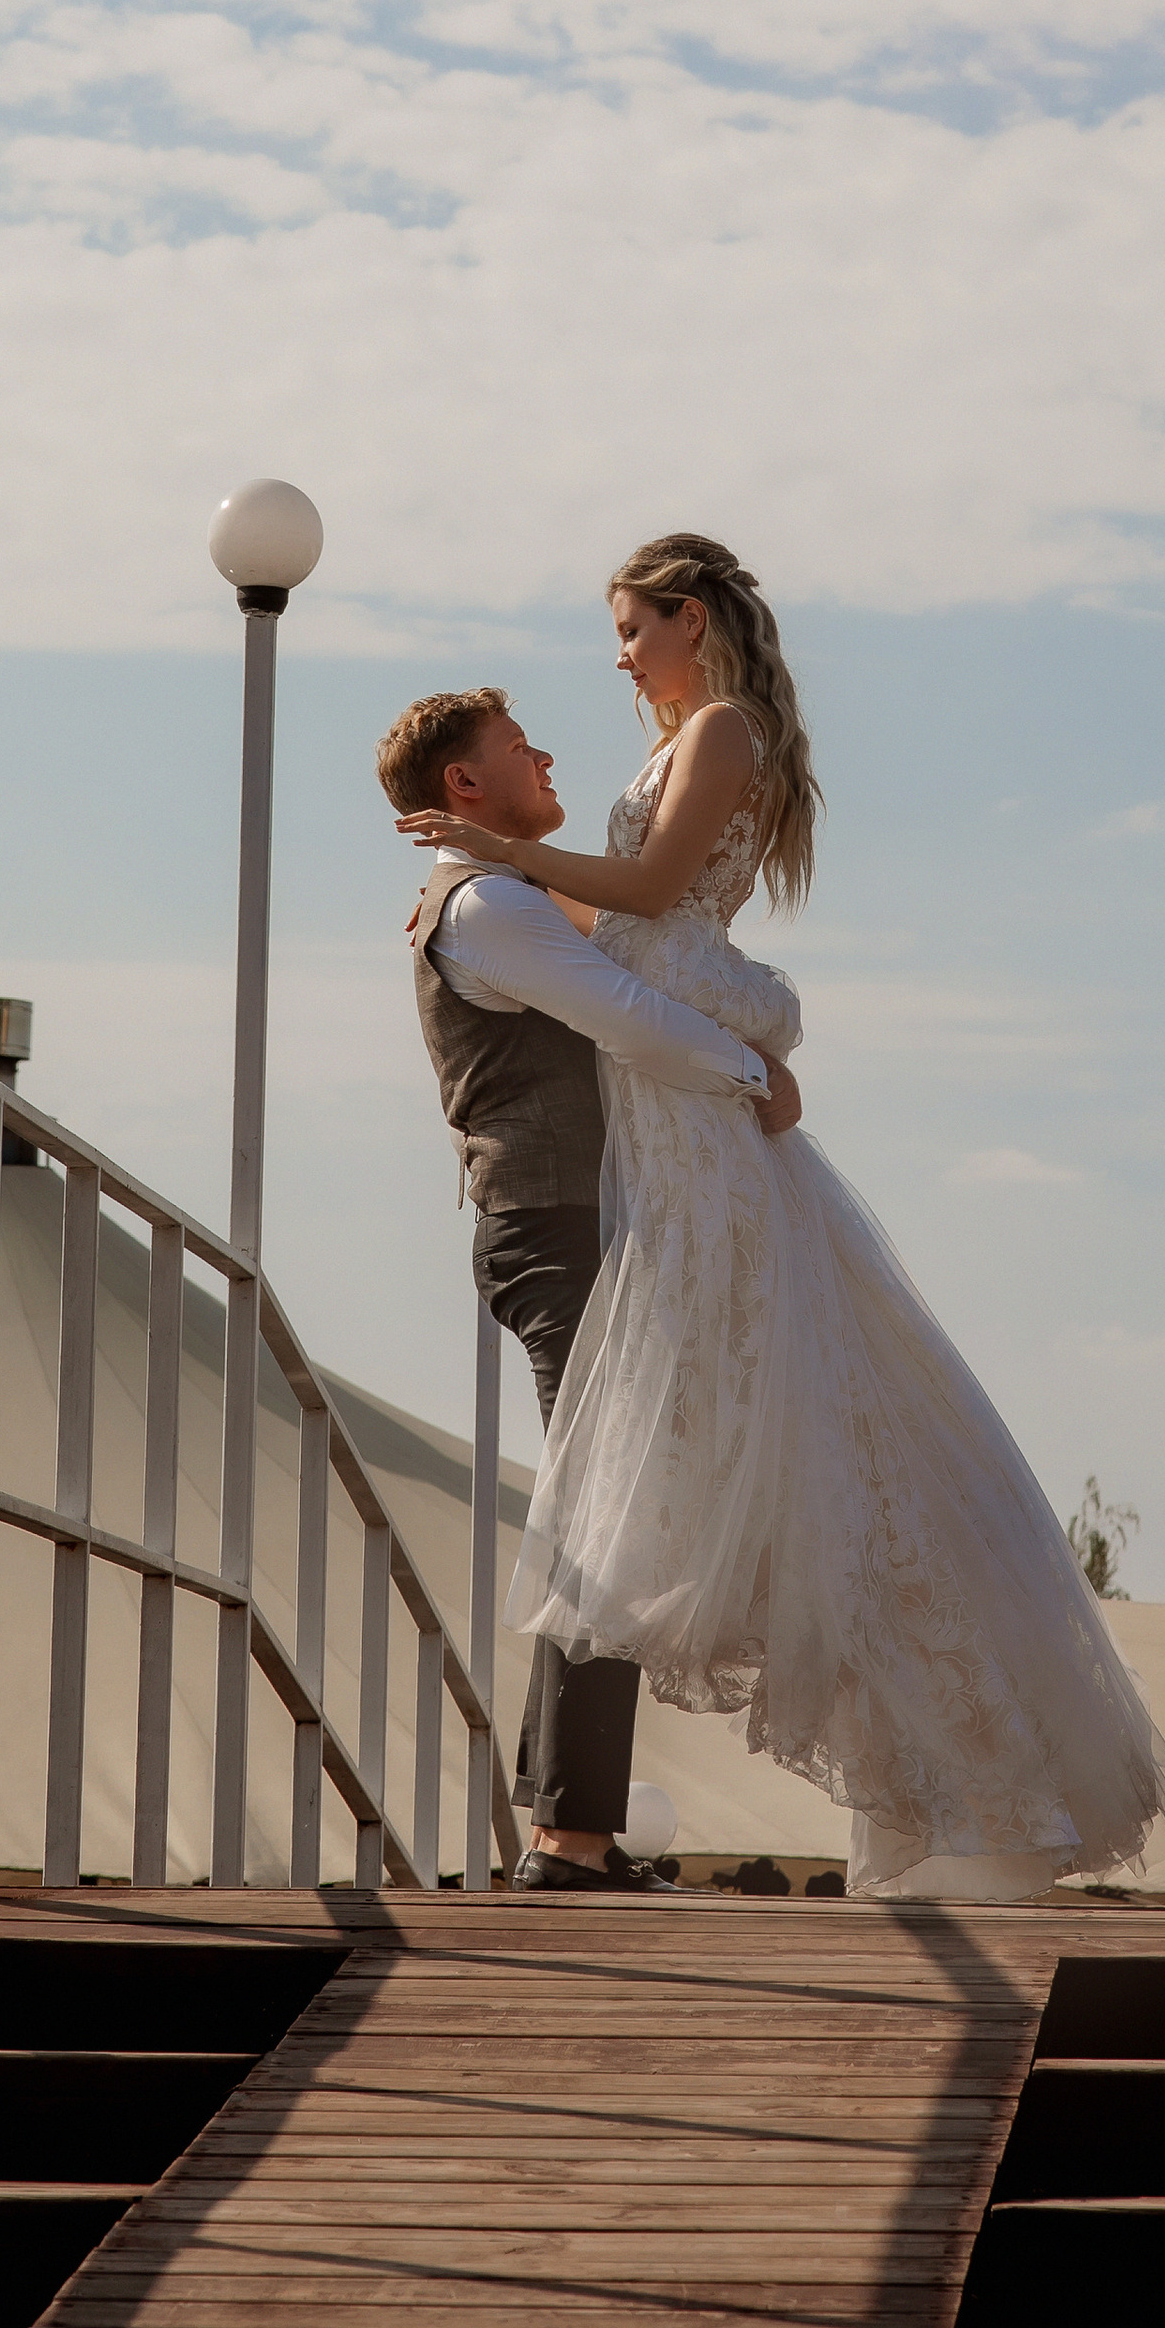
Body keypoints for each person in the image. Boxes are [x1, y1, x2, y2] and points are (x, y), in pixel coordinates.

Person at [396, 532, 1165, 1901]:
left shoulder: (716, 732)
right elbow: (623, 966)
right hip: (633, 1160)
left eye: (632, 631)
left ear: (689, 621)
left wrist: (743, 1049)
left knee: (684, 1478)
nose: (619, 659)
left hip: (668, 1151)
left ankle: (596, 1833)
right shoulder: (517, 882)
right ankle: (608, 1825)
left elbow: (645, 914)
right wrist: (746, 1046)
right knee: (666, 1484)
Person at [376, 683, 804, 1894]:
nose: (546, 750)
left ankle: (571, 1832)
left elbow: (639, 951)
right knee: (610, 1516)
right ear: (466, 787)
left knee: (609, 1512)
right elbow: (627, 1018)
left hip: (571, 1227)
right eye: (517, 747)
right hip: (552, 1231)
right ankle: (567, 1842)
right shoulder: (488, 909)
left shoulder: (508, 896)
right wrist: (752, 1069)